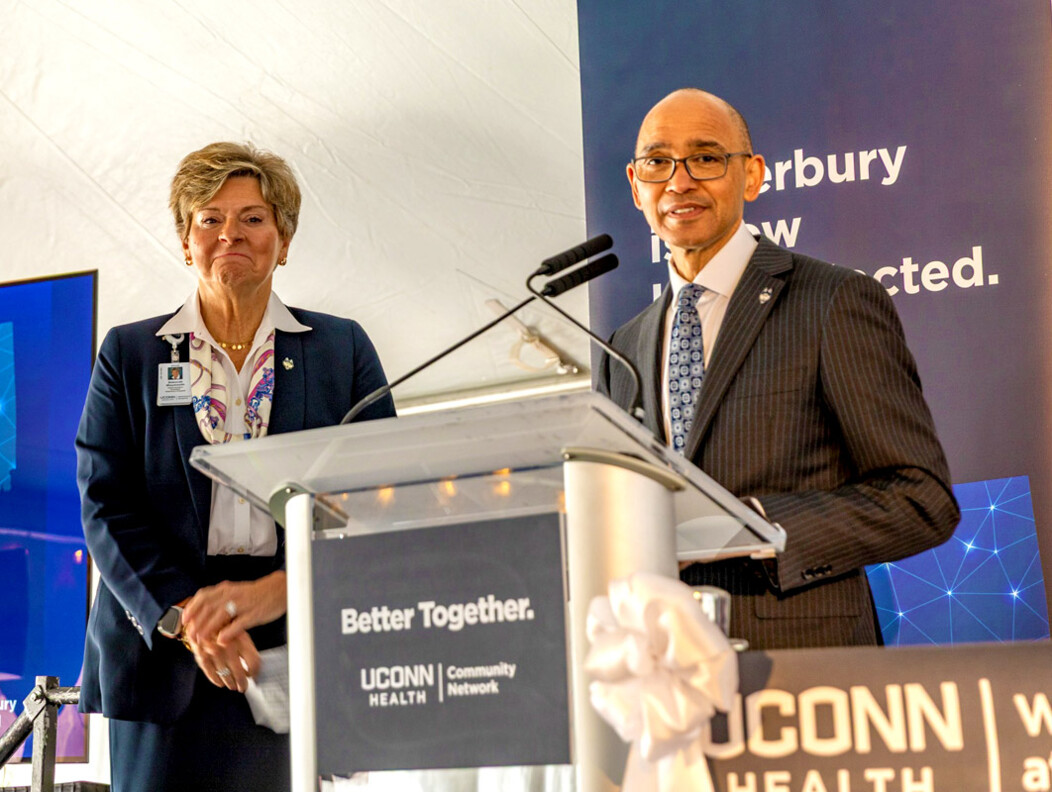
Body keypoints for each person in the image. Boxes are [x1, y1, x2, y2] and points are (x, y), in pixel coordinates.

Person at [75, 142, 396, 791]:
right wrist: (187, 615)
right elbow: (105, 502)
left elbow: (378, 495)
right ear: (185, 241)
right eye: (210, 218)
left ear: (284, 240)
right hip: (163, 646)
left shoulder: (340, 349)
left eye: (253, 218)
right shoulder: (132, 353)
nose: (231, 233)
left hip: (290, 637)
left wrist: (286, 587)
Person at [597, 89, 960, 649]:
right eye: (657, 161)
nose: (678, 181)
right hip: (662, 682)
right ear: (635, 184)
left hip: (806, 670)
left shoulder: (833, 300)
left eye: (705, 158)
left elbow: (921, 500)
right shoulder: (625, 344)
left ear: (753, 176)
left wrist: (755, 526)